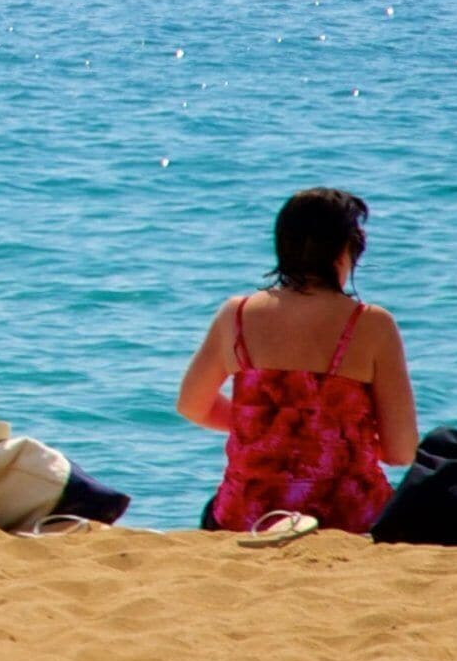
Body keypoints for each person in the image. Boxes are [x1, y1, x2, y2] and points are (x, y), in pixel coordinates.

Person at [174, 187, 418, 532]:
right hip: (347, 517)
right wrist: (334, 439)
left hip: (246, 515)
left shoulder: (237, 315)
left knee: (221, 505)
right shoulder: (372, 324)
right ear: (343, 253)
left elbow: (191, 406)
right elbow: (401, 451)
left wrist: (268, 429)